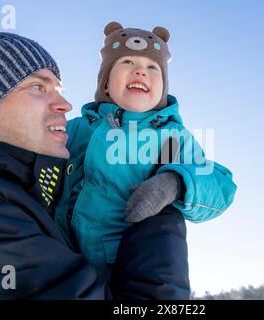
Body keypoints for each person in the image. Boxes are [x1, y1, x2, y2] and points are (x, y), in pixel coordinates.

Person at [0, 32, 190, 299]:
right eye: (38, 87)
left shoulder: (9, 195)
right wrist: (161, 219)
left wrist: (175, 182)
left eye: (59, 90)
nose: (66, 105)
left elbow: (216, 181)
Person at [55, 22, 237, 281]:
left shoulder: (169, 137)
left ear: (163, 88)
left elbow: (221, 187)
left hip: (127, 268)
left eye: (153, 67)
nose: (141, 71)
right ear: (106, 82)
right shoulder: (78, 128)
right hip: (63, 263)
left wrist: (174, 182)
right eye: (127, 62)